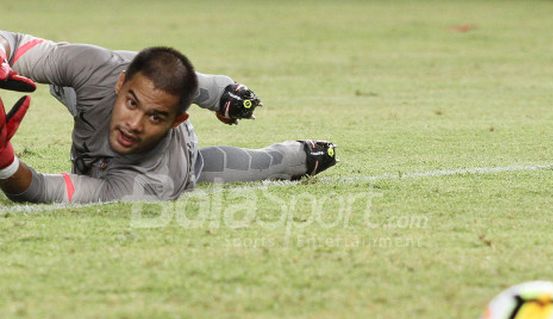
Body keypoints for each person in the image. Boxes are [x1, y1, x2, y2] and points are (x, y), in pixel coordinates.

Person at [0, 30, 337, 204]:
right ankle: (224, 92)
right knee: (80, 72)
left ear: (175, 121)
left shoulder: (152, 184)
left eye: (156, 117)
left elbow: (41, 189)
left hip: (168, 161)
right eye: (132, 103)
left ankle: (299, 157)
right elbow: (10, 41)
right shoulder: (99, 71)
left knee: (243, 167)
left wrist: (6, 163)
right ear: (121, 85)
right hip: (106, 88)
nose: (134, 124)